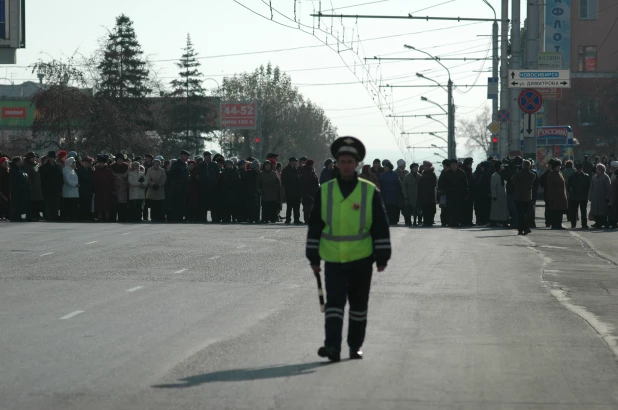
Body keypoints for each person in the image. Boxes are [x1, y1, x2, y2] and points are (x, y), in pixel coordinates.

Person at [306, 136, 391, 362]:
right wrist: (312, 257)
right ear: (336, 163)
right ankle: (332, 346)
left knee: (358, 305)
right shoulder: (325, 190)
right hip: (333, 259)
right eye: (341, 161)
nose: (345, 165)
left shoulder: (369, 191)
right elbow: (315, 226)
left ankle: (355, 346)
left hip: (362, 258)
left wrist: (382, 257)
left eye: (349, 162)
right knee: (334, 304)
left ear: (357, 164)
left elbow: (380, 226)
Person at [511, 160, 538, 235]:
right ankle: (526, 227)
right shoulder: (532, 175)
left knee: (520, 214)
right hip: (528, 197)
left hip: (518, 196)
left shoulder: (517, 174)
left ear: (522, 166)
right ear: (529, 166)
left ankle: (520, 229)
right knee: (528, 213)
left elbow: (512, 181)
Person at [443, 159, 468, 228]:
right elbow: (444, 184)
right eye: (451, 165)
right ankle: (451, 222)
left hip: (459, 194)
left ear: (457, 165)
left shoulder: (461, 173)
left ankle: (457, 221)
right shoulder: (447, 173)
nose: (453, 166)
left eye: (454, 165)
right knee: (450, 208)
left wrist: (465, 193)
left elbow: (465, 184)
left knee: (458, 208)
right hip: (450, 194)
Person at [39, 151, 64, 221]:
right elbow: (42, 179)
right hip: (48, 188)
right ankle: (49, 216)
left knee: (56, 203)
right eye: (52, 158)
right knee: (49, 203)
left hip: (57, 188)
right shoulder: (43, 167)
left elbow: (61, 177)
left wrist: (60, 187)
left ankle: (55, 215)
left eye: (54, 158)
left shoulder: (58, 166)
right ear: (49, 158)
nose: (54, 159)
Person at [198, 151, 220, 222]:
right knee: (203, 204)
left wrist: (215, 182)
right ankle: (202, 218)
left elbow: (218, 174)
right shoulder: (200, 165)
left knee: (214, 204)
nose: (209, 158)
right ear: (205, 157)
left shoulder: (214, 165)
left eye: (210, 156)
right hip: (203, 187)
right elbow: (198, 175)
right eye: (207, 156)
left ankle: (215, 219)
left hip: (213, 187)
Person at [546, 159, 568, 230]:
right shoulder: (552, 174)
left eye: (560, 166)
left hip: (560, 196)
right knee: (556, 211)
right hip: (555, 196)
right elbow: (550, 187)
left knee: (559, 211)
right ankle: (555, 225)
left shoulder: (559, 173)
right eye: (558, 166)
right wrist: (551, 198)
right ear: (555, 167)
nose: (559, 167)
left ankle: (558, 224)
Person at [168, 150, 190, 222]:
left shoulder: (185, 164)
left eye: (187, 156)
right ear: (182, 156)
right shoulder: (176, 164)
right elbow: (172, 175)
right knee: (176, 203)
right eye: (185, 155)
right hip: (177, 187)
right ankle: (175, 218)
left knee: (182, 203)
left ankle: (180, 217)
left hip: (184, 187)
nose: (187, 157)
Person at [567, 162, 590, 229]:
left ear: (582, 168)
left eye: (580, 168)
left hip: (583, 196)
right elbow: (568, 186)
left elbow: (588, 186)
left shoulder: (586, 176)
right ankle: (573, 224)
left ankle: (584, 224)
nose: (579, 170)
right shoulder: (572, 176)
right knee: (573, 211)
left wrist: (586, 194)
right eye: (577, 169)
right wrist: (571, 193)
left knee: (583, 211)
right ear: (576, 169)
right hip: (574, 196)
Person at [378, 161, 402, 225]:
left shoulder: (395, 175)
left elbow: (399, 184)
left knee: (394, 209)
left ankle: (394, 220)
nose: (384, 168)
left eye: (386, 167)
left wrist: (399, 193)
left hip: (394, 195)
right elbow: (379, 185)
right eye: (384, 167)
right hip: (385, 195)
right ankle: (387, 220)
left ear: (389, 168)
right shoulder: (382, 175)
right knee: (387, 208)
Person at [217, 159, 241, 223]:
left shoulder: (236, 173)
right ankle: (226, 218)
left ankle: (234, 217)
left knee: (234, 206)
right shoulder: (223, 173)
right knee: (225, 206)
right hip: (225, 193)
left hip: (234, 193)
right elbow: (220, 183)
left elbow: (238, 183)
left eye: (230, 164)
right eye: (227, 164)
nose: (229, 166)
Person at [93, 155, 115, 222]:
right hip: (99, 189)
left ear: (105, 163)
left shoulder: (108, 171)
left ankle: (107, 217)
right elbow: (94, 180)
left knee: (107, 203)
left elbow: (112, 180)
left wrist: (113, 189)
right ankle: (99, 216)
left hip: (107, 190)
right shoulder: (96, 171)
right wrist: (95, 187)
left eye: (102, 163)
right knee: (99, 203)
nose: (101, 164)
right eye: (100, 163)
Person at [589, 163, 611, 228]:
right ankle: (597, 222)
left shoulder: (606, 177)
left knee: (602, 211)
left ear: (602, 170)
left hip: (602, 198)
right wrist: (590, 196)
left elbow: (608, 188)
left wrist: (607, 197)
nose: (597, 170)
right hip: (595, 197)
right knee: (595, 211)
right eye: (597, 169)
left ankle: (603, 222)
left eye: (598, 169)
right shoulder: (594, 177)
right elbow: (591, 188)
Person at [22, 152, 43, 221]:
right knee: (32, 202)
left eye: (34, 157)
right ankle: (32, 215)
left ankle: (36, 214)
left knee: (37, 201)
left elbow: (37, 172)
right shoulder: (26, 165)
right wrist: (30, 185)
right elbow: (28, 176)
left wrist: (37, 165)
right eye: (32, 157)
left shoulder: (35, 165)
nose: (34, 158)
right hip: (31, 186)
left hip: (37, 186)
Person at [281, 156, 302, 224]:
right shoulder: (285, 170)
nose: (296, 162)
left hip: (297, 191)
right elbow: (283, 181)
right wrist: (288, 187)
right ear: (291, 162)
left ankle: (296, 219)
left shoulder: (297, 169)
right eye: (295, 161)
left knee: (297, 207)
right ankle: (288, 219)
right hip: (289, 191)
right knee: (289, 207)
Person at [146, 158, 167, 222]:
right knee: (153, 204)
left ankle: (160, 217)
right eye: (155, 163)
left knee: (160, 204)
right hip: (152, 189)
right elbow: (147, 178)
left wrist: (159, 185)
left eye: (158, 164)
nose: (157, 165)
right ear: (153, 164)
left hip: (160, 189)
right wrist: (153, 184)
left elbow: (164, 179)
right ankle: (153, 217)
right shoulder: (149, 170)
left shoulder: (162, 170)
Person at [9, 156, 29, 222]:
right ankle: (14, 216)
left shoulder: (21, 169)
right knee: (16, 203)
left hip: (23, 189)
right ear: (16, 162)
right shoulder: (13, 170)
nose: (21, 162)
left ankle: (19, 215)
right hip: (16, 190)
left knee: (20, 203)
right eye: (20, 161)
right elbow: (13, 181)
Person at [111, 153, 130, 222]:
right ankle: (113, 218)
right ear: (116, 160)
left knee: (123, 204)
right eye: (118, 159)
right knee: (114, 204)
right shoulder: (112, 167)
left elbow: (128, 177)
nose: (120, 160)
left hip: (123, 188)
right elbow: (111, 177)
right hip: (115, 187)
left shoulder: (127, 167)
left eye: (121, 159)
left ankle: (122, 218)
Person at [300, 158, 319, 225]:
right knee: (307, 206)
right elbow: (307, 181)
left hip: (311, 191)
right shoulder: (308, 171)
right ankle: (307, 219)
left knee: (309, 206)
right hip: (308, 191)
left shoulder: (309, 170)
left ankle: (308, 219)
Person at [418, 161, 437, 226]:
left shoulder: (432, 174)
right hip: (424, 195)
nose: (424, 167)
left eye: (425, 166)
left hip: (429, 195)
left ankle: (429, 221)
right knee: (425, 209)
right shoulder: (424, 173)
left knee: (429, 209)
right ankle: (426, 221)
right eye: (423, 166)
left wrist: (425, 186)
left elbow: (433, 184)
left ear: (429, 167)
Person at [490, 161, 509, 227]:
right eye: (501, 165)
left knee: (503, 209)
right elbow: (493, 186)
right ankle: (495, 221)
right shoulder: (494, 175)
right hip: (498, 195)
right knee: (496, 209)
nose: (502, 167)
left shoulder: (502, 174)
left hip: (503, 194)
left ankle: (504, 221)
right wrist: (494, 195)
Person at [61, 157, 80, 221]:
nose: (75, 164)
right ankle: (67, 217)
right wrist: (75, 184)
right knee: (69, 205)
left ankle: (73, 216)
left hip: (73, 192)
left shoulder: (72, 170)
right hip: (69, 192)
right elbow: (67, 180)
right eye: (74, 163)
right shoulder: (66, 170)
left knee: (73, 205)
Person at [461, 157, 475, 226]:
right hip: (466, 192)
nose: (471, 165)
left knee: (469, 207)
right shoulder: (464, 171)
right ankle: (465, 221)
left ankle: (469, 221)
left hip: (471, 192)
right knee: (465, 208)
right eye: (471, 163)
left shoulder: (469, 170)